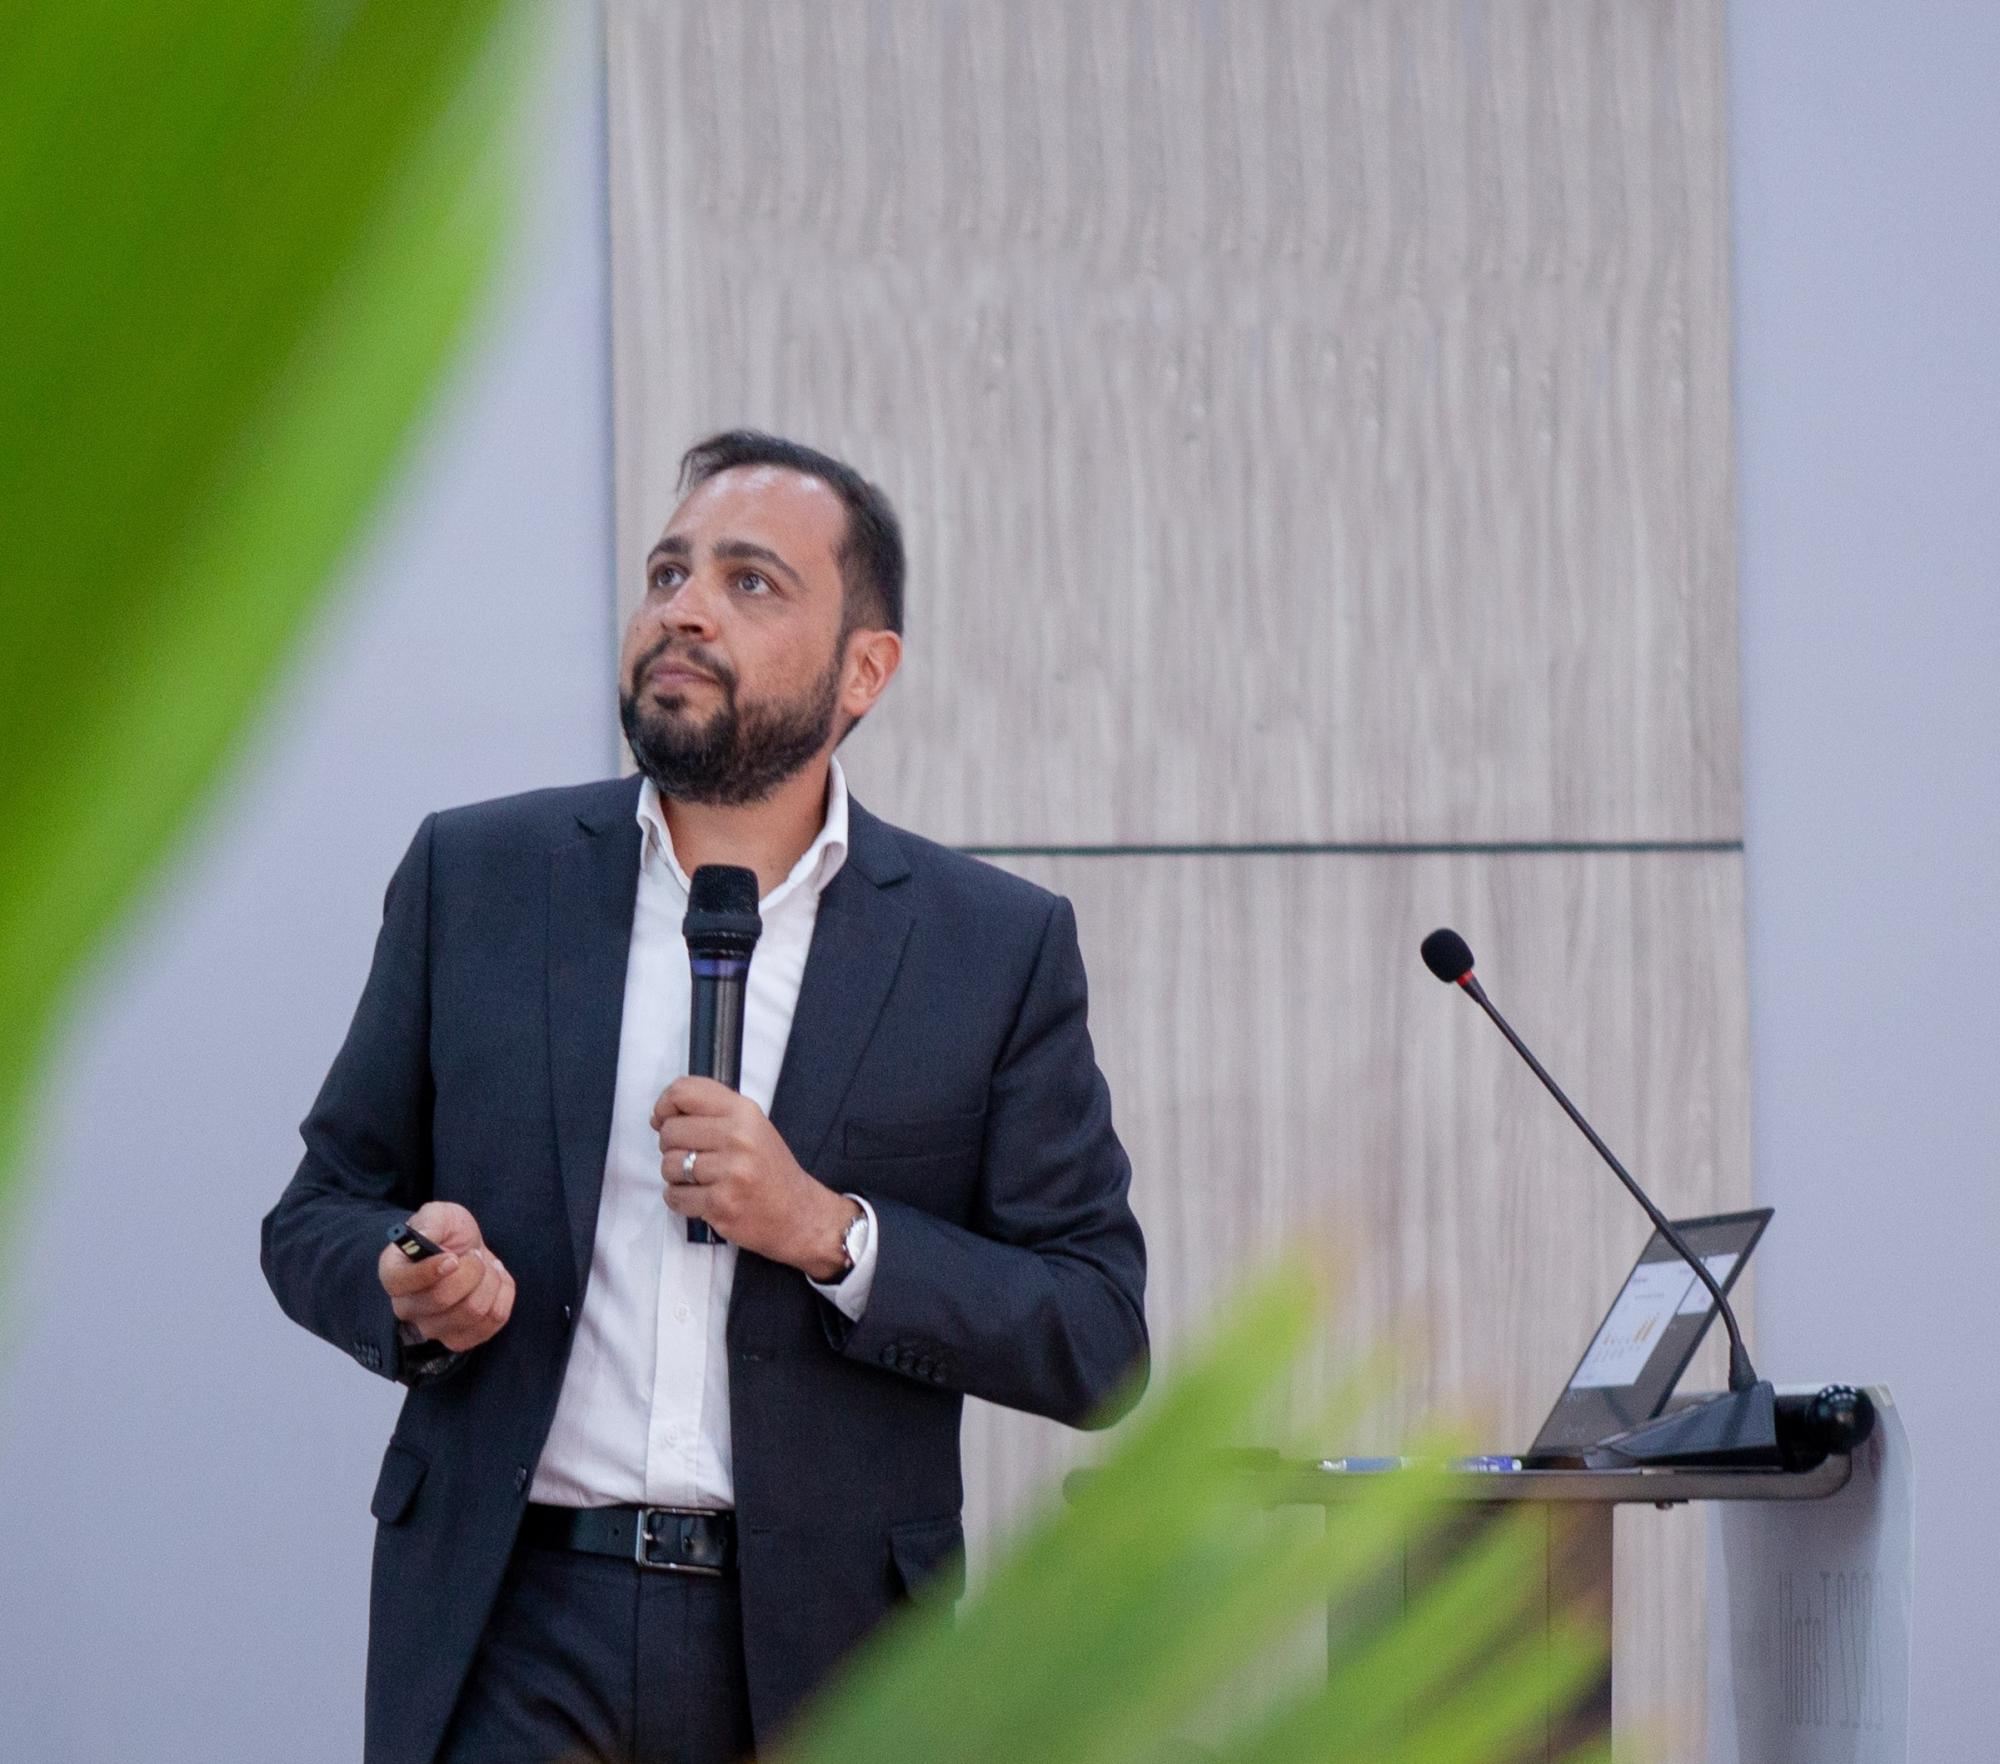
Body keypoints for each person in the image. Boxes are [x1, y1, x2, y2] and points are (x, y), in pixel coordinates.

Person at [261, 430, 1150, 1764]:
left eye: (750, 583)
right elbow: (319, 1211)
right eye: (668, 570)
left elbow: (1096, 1337)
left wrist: (833, 1234)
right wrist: (406, 1281)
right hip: (511, 1617)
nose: (681, 607)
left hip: (825, 1649)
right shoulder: (479, 878)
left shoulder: (989, 948)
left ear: (867, 669)